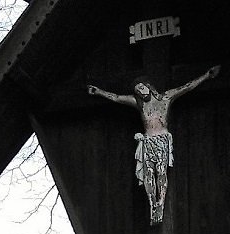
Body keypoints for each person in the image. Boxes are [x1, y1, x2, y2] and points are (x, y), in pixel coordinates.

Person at [87, 66, 218, 224]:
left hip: (162, 139)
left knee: (161, 172)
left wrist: (205, 76)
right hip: (147, 141)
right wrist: (99, 91)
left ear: (148, 86)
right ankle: (152, 205)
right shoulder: (138, 103)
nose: (141, 91)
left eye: (142, 87)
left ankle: (160, 204)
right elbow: (116, 97)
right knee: (148, 174)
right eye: (137, 90)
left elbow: (187, 87)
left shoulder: (166, 97)